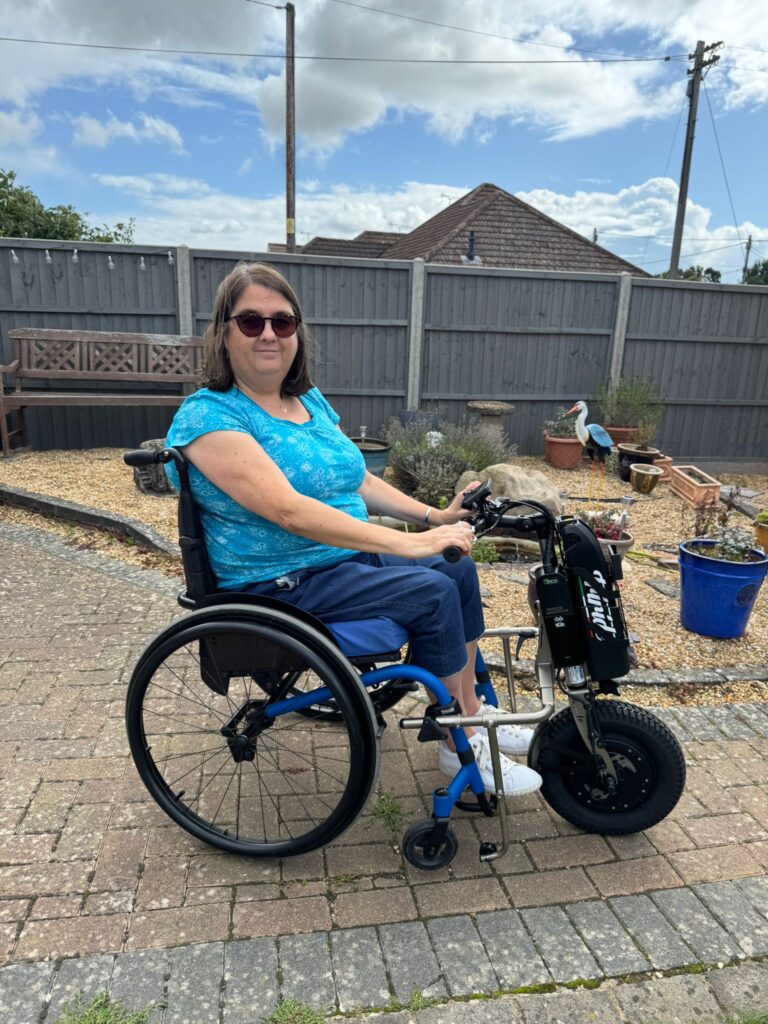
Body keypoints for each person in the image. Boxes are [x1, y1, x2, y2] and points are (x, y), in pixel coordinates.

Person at [165, 262, 542, 798]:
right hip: (280, 580)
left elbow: (358, 478)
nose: (269, 334)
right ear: (224, 333)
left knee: (454, 569)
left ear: (298, 331)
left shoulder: (306, 401)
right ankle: (457, 739)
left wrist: (435, 519)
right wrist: (408, 544)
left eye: (282, 321)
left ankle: (470, 713)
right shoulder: (210, 417)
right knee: (432, 590)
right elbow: (288, 511)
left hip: (335, 562)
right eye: (251, 322)